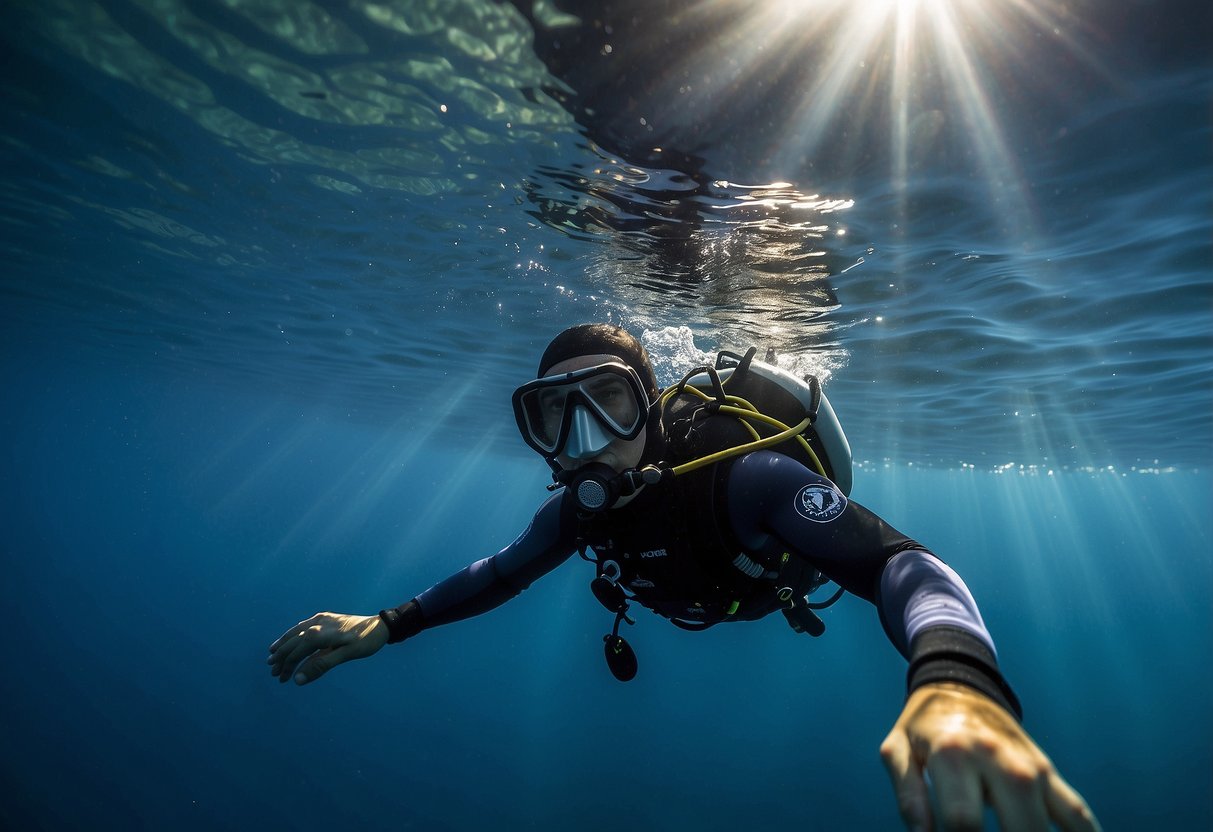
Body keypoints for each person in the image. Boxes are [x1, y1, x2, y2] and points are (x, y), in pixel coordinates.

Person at [268, 323, 1100, 832]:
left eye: (609, 404)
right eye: (554, 416)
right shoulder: (578, 512)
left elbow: (902, 564)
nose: (587, 438)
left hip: (761, 580)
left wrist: (957, 680)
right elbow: (499, 573)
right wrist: (385, 624)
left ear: (650, 406)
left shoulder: (747, 478)